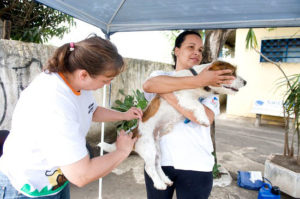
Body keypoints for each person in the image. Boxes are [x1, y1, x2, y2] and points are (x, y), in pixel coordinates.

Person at [0, 35, 143, 198]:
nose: (108, 84)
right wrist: (122, 151)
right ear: (84, 74)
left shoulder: (76, 83)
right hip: (27, 188)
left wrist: (123, 115)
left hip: (56, 180)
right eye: (106, 80)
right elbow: (81, 175)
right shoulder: (53, 101)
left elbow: (92, 110)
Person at [142, 30, 235, 199]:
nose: (196, 53)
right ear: (176, 50)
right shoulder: (160, 76)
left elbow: (205, 119)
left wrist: (165, 91)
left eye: (200, 50)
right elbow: (149, 85)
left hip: (197, 165)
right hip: (160, 162)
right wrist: (198, 81)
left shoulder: (210, 86)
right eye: (190, 47)